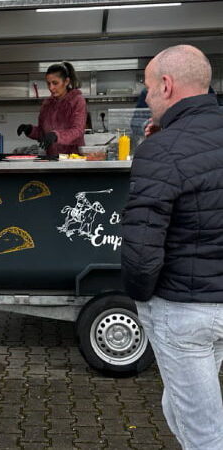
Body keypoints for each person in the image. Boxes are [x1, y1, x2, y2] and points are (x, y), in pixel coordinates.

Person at [121, 45, 223, 449]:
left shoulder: (160, 151)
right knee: (180, 402)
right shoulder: (167, 144)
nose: (146, 98)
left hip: (183, 310)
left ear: (166, 85)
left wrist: (142, 301)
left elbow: (141, 250)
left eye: (147, 88)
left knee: (204, 433)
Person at [17, 61, 87, 156]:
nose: (51, 88)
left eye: (55, 83)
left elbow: (77, 131)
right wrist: (30, 130)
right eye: (48, 83)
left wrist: (56, 135)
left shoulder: (77, 101)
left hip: (73, 160)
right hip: (52, 159)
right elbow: (43, 135)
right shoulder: (47, 104)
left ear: (66, 81)